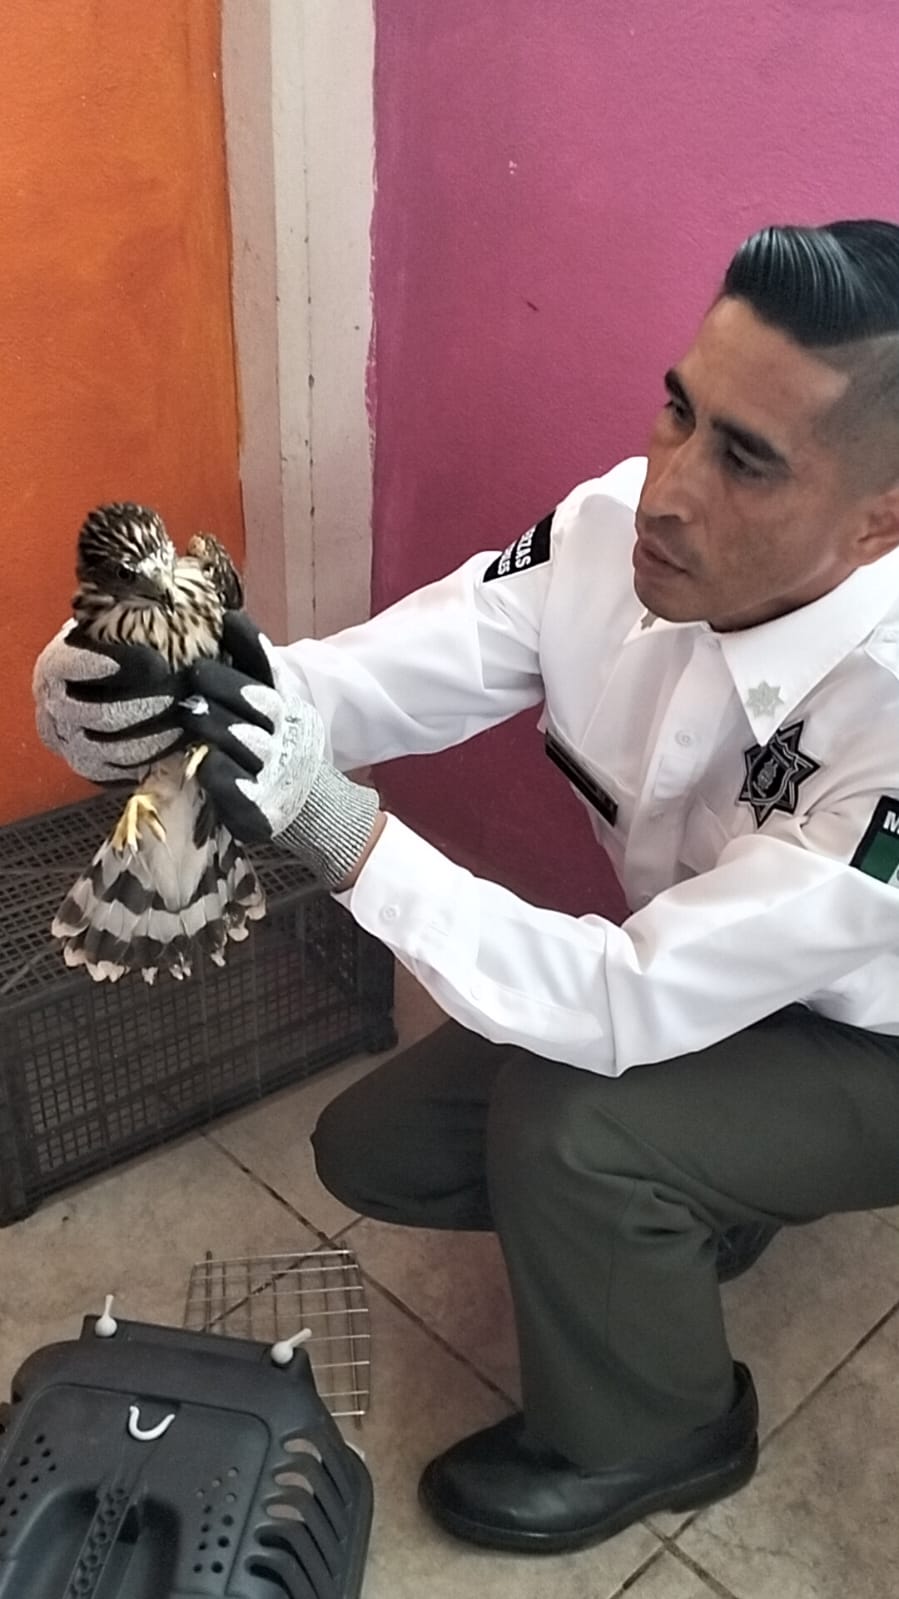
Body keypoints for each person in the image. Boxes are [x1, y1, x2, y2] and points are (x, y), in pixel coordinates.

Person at [33, 220, 899, 1556]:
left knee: (573, 1126)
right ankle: (699, 1204)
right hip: (711, 970)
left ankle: (667, 1431)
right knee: (380, 1148)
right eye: (681, 412)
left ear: (880, 517)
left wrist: (342, 830)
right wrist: (156, 689)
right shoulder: (613, 531)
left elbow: (628, 997)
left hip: (871, 1047)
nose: (669, 486)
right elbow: (368, 680)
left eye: (746, 460)